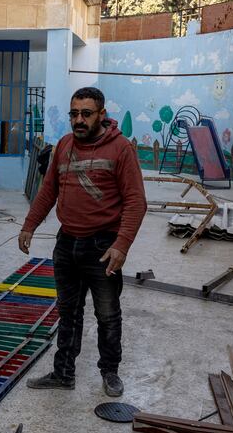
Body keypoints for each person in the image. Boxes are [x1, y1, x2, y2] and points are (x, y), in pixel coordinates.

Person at [19, 87, 146, 397]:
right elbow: (48, 190)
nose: (79, 120)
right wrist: (29, 224)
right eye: (74, 113)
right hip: (67, 244)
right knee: (68, 312)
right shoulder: (64, 146)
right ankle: (63, 373)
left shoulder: (121, 150)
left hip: (103, 247)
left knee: (107, 313)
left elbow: (136, 201)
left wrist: (122, 244)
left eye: (86, 114)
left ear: (101, 115)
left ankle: (110, 372)